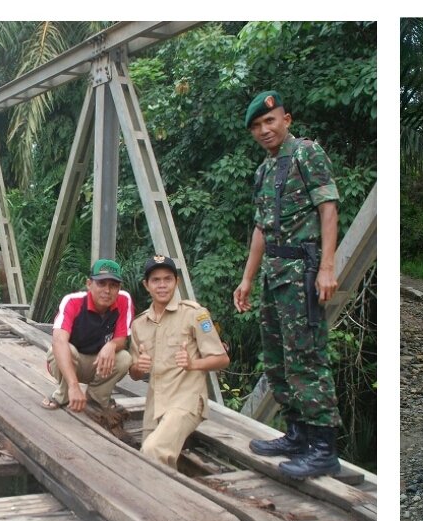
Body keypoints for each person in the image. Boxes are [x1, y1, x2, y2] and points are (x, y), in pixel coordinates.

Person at [233, 90, 343, 480]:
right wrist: (247, 278)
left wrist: (327, 267)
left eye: (270, 121)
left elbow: (328, 207)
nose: (264, 130)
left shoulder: (306, 153)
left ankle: (323, 448)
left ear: (286, 119)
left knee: (306, 357)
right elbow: (262, 228)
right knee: (277, 358)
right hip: (274, 274)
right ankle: (297, 434)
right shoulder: (264, 171)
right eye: (257, 127)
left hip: (301, 269)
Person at [128, 255, 230, 469]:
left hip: (186, 401)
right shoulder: (139, 324)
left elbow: (221, 359)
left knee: (153, 451)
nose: (162, 285)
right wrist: (139, 367)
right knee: (147, 462)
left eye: (168, 279)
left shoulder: (196, 314)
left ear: (177, 282)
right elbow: (134, 374)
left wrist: (193, 364)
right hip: (155, 404)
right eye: (156, 280)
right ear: (147, 285)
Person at [42, 258, 134, 413]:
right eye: (101, 283)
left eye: (113, 285)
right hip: (69, 363)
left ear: (119, 288)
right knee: (66, 349)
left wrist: (111, 345)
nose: (107, 290)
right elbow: (58, 342)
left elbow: (122, 338)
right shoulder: (73, 301)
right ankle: (63, 395)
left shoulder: (124, 300)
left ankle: (96, 398)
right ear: (89, 284)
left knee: (125, 358)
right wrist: (74, 385)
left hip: (97, 364)